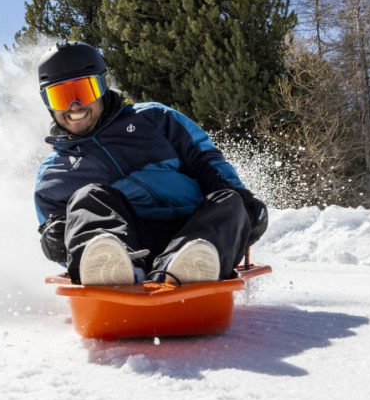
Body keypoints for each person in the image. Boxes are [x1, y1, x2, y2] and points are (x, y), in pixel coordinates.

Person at [33, 42, 268, 286]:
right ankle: (115, 271)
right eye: (60, 96)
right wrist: (55, 239)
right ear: (46, 102)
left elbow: (206, 160)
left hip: (193, 229)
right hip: (123, 244)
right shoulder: (53, 175)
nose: (74, 106)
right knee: (89, 196)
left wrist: (244, 199)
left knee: (230, 201)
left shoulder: (154, 118)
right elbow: (61, 234)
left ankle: (187, 265)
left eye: (84, 90)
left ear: (104, 85)